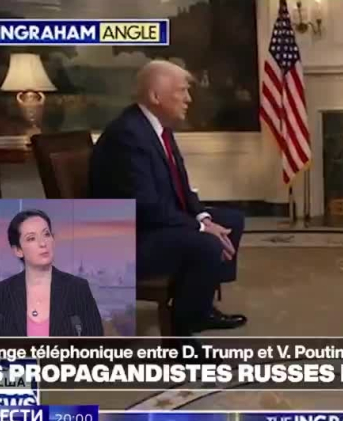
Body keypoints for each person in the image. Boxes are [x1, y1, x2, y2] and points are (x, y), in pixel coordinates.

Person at [88, 60, 247, 337]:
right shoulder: (127, 135)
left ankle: (200, 305)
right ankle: (182, 334)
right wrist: (200, 228)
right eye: (182, 91)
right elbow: (145, 206)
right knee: (207, 244)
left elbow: (181, 185)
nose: (189, 99)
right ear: (155, 96)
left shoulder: (158, 127)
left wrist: (203, 217)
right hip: (128, 238)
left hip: (151, 224)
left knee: (231, 220)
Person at [0, 209, 104, 337]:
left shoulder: (77, 288)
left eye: (46, 234)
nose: (43, 243)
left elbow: (96, 343)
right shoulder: (2, 291)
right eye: (31, 238)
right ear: (18, 250)